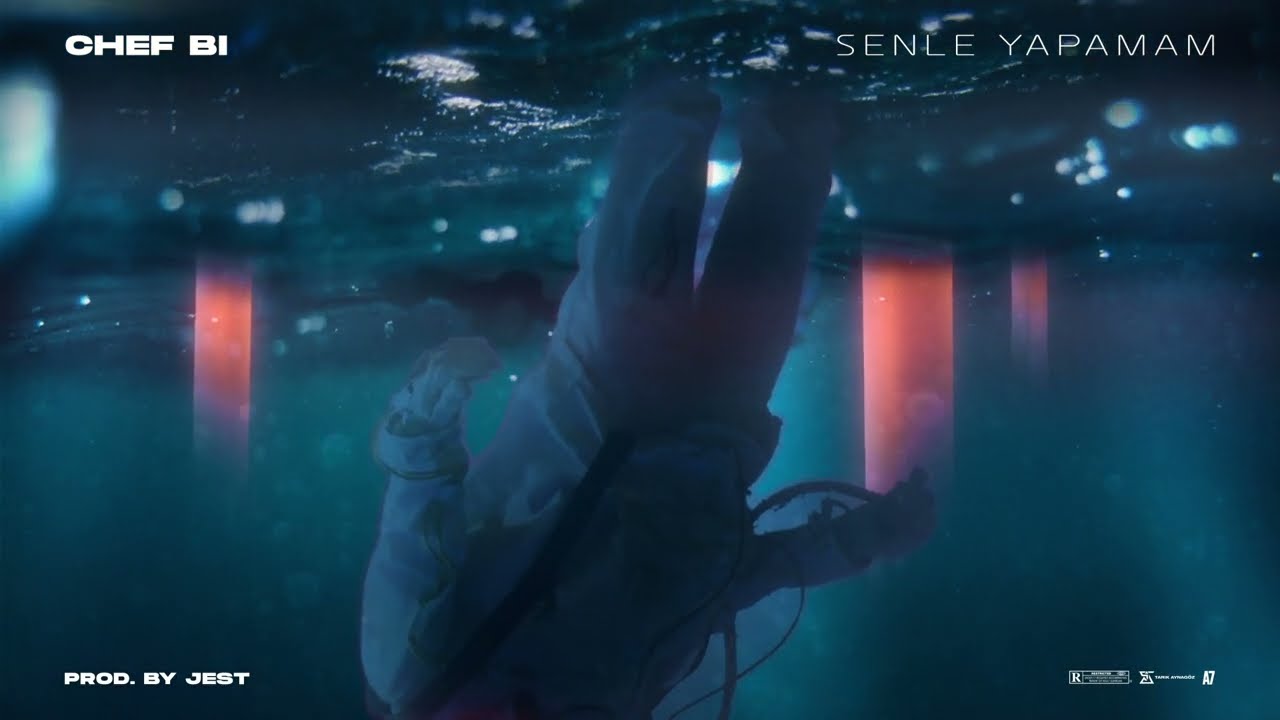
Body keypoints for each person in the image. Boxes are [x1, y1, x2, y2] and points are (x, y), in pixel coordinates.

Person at [359, 80, 936, 720]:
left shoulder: (415, 677)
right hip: (710, 433)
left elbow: (416, 531)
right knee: (781, 187)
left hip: (605, 409)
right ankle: (782, 91)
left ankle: (680, 69)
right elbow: (715, 589)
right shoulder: (604, 699)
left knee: (669, 160)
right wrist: (867, 538)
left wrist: (430, 406)